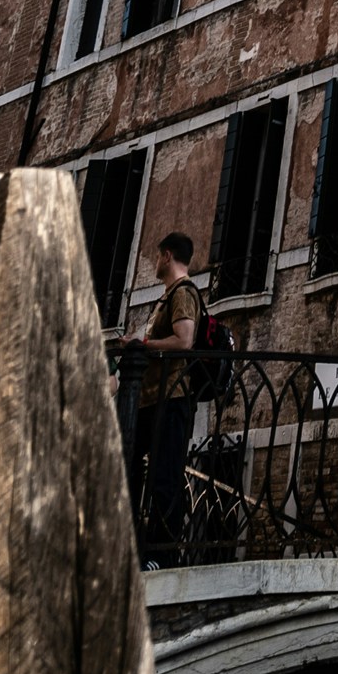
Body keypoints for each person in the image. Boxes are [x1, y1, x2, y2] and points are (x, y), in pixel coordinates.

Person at [134, 235, 207, 557]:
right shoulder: (168, 297)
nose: (155, 263)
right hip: (150, 400)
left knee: (166, 478)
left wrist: (143, 346)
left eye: (157, 257)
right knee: (132, 470)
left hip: (172, 398)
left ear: (167, 256)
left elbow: (184, 340)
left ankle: (161, 556)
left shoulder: (184, 293)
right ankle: (133, 547)